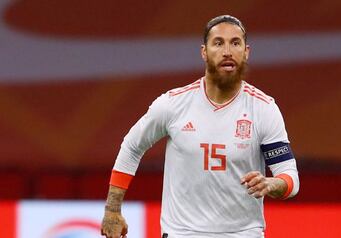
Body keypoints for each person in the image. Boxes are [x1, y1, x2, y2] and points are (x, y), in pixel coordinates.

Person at [101, 15, 299, 238]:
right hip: (182, 233)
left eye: (235, 43)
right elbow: (132, 146)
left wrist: (272, 183)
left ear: (246, 52)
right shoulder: (173, 104)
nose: (227, 51)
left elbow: (290, 177)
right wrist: (112, 209)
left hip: (242, 234)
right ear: (204, 52)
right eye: (218, 43)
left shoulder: (264, 108)